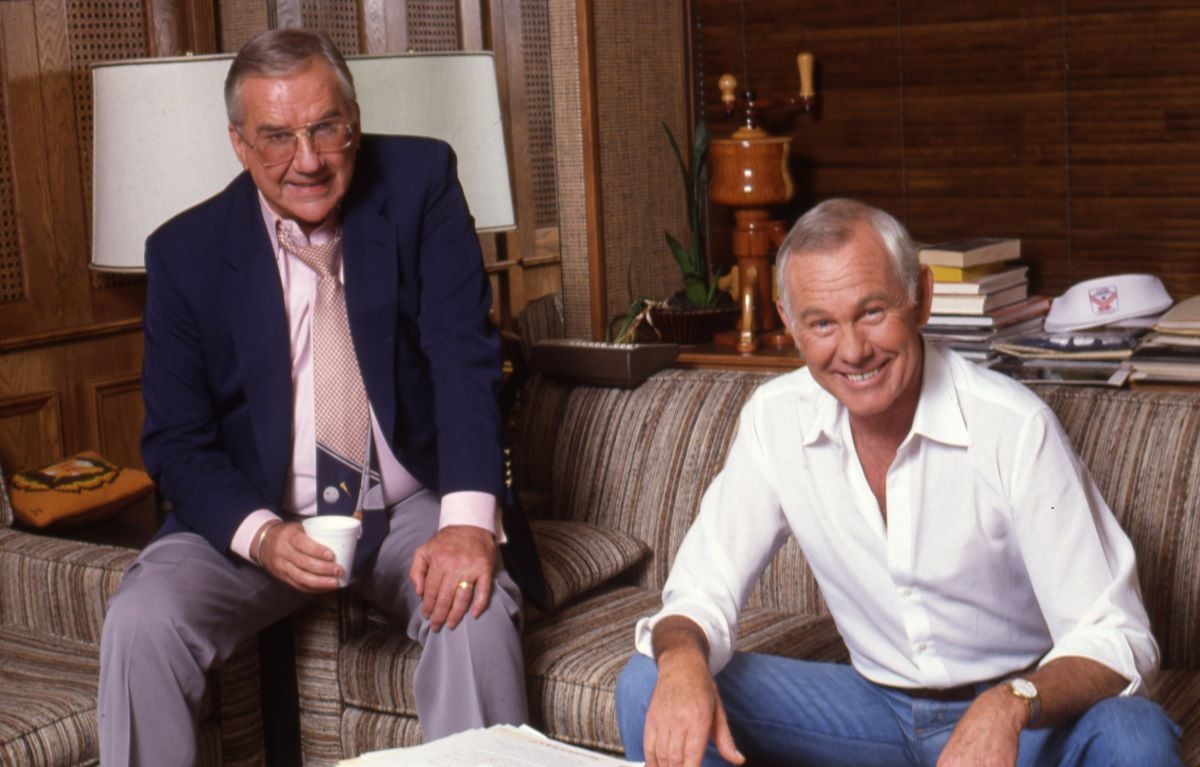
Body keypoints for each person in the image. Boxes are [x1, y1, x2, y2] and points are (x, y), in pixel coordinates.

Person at [99, 28, 539, 765]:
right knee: (141, 619)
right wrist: (262, 534)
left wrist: (466, 522)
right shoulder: (185, 252)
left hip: (407, 502)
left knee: (474, 608)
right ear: (239, 143)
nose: (306, 160)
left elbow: (463, 358)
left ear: (354, 120)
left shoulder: (421, 181)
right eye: (276, 137)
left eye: (325, 128)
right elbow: (176, 441)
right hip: (266, 511)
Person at [615, 198, 1182, 767]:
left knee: (1134, 734)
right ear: (790, 326)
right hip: (870, 716)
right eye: (822, 324)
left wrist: (1010, 705)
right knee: (650, 683)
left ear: (921, 297)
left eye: (871, 312)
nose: (854, 350)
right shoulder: (775, 419)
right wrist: (684, 660)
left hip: (1024, 719)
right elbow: (699, 591)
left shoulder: (1014, 428)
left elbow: (1118, 636)